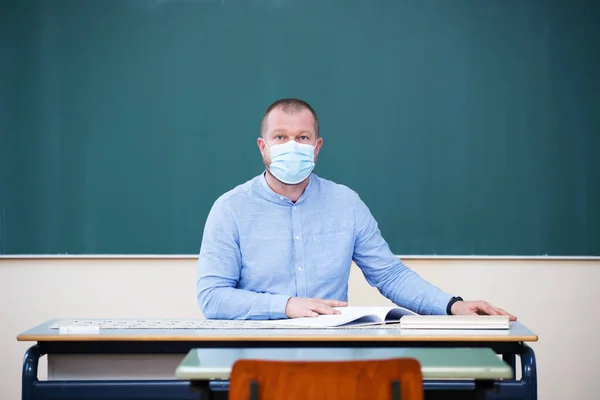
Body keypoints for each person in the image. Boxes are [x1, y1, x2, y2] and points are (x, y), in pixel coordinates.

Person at [196, 98, 516, 321]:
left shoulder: (345, 203)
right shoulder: (230, 209)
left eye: (302, 137)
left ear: (317, 146)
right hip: (255, 356)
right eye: (280, 137)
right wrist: (287, 305)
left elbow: (389, 275)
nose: (292, 145)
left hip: (331, 353)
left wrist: (452, 305)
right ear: (263, 146)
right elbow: (212, 297)